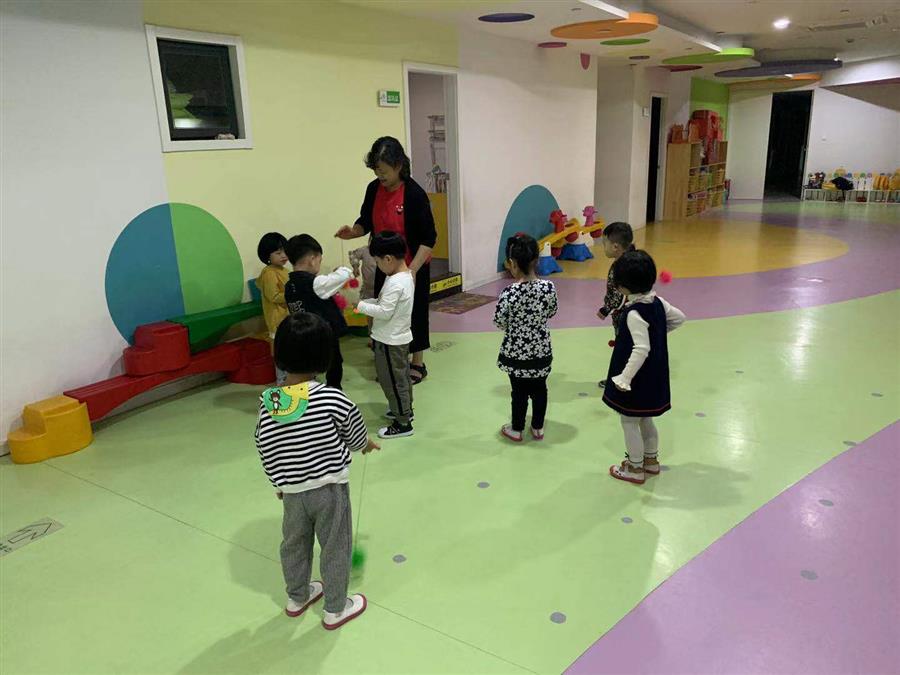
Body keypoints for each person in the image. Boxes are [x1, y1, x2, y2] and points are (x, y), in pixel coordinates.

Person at [254, 313, 379, 629]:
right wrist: (364, 444)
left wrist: (279, 482)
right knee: (335, 546)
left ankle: (297, 597)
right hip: (329, 490)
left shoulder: (270, 402)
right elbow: (353, 434)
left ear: (280, 354)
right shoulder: (332, 398)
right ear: (325, 356)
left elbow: (264, 445)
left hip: (292, 493)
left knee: (293, 544)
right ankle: (336, 608)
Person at [335, 136, 437, 385]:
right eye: (376, 171)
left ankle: (417, 363)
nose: (380, 176)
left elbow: (429, 237)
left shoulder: (414, 194)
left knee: (414, 313)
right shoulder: (374, 189)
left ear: (398, 165)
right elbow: (365, 221)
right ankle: (391, 359)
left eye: (384, 171)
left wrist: (412, 270)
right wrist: (353, 232)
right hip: (384, 264)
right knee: (386, 313)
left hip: (412, 263)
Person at [602, 250, 685, 485]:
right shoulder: (658, 302)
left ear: (623, 286)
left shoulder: (634, 313)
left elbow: (641, 348)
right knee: (646, 419)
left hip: (637, 378)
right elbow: (679, 318)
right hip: (654, 374)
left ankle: (635, 467)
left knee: (629, 421)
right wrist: (658, 333)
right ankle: (651, 461)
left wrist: (624, 377)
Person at [493, 234, 558, 443]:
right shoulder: (548, 288)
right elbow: (552, 311)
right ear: (536, 261)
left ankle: (517, 428)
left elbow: (499, 321)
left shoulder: (509, 293)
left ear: (512, 263)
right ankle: (538, 427)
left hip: (516, 354)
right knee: (540, 390)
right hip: (541, 351)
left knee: (518, 391)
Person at [355, 232, 416, 439]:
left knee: (392, 381)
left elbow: (384, 312)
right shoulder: (404, 277)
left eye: (378, 261)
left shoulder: (396, 283)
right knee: (401, 378)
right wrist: (365, 304)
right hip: (396, 338)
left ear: (388, 259)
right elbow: (384, 305)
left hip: (390, 341)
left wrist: (360, 306)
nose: (378, 266)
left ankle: (403, 423)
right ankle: (404, 410)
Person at [284, 235, 353, 390]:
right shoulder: (316, 283)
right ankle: (334, 390)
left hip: (302, 333)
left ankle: (306, 390)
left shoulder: (289, 285)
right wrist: (343, 269)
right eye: (320, 260)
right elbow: (344, 275)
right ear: (312, 259)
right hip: (324, 333)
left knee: (307, 366)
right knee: (334, 363)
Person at [596, 222, 636, 389]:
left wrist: (606, 309)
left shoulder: (620, 267)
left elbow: (619, 295)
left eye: (604, 243)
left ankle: (620, 379)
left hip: (623, 316)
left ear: (615, 246)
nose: (603, 247)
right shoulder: (633, 260)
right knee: (630, 346)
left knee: (623, 348)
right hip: (634, 313)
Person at [255, 232, 290, 384]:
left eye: (285, 251)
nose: (284, 255)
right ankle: (282, 382)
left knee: (289, 349)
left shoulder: (284, 270)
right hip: (277, 320)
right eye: (278, 253)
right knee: (280, 351)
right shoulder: (269, 273)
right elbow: (274, 296)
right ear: (267, 256)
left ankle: (291, 379)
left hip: (287, 318)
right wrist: (293, 294)